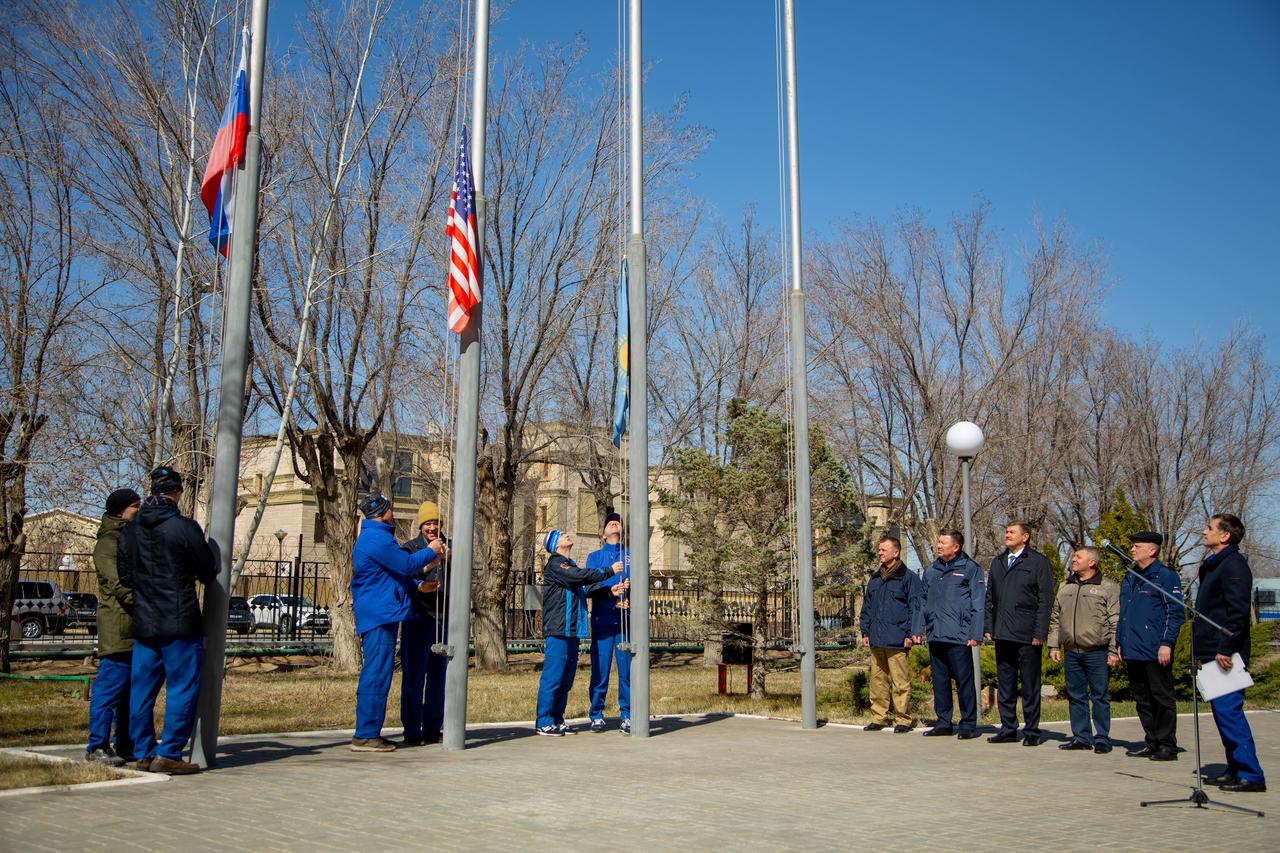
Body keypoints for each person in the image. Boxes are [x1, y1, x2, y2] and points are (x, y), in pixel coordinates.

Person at [118, 467, 216, 775]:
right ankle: (170, 752)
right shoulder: (184, 528)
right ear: (175, 493)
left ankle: (143, 751)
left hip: (145, 621)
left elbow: (125, 575)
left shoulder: (131, 530)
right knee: (182, 688)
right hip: (179, 620)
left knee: (141, 690)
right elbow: (207, 570)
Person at [350, 493, 445, 753]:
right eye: (389, 508)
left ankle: (368, 732)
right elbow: (405, 564)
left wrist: (418, 584)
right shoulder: (377, 538)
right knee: (377, 675)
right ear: (382, 513)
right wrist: (431, 552)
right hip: (379, 614)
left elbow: (392, 575)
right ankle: (366, 734)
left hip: (383, 611)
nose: (392, 511)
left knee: (380, 673)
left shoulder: (375, 536)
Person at [1194, 513, 1266, 792]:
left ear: (1225, 535)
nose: (1204, 532)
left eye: (1210, 528)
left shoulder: (1233, 565)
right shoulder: (1214, 565)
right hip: (1213, 650)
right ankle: (1234, 768)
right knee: (1222, 715)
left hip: (1225, 652)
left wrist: (1227, 647)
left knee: (1230, 713)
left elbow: (1237, 612)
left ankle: (1251, 774)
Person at [535, 529, 621, 736]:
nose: (567, 536)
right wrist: (609, 570)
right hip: (558, 629)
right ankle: (543, 721)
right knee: (553, 677)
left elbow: (587, 589)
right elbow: (579, 577)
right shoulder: (557, 564)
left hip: (571, 629)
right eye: (562, 535)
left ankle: (557, 719)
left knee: (566, 679)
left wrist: (610, 591)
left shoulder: (569, 565)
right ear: (555, 545)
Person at [1114, 530, 1184, 761]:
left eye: (1138, 546)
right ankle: (1151, 741)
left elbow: (1174, 613)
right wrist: (1120, 641)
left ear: (1152, 550)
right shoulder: (1131, 575)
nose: (1132, 550)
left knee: (1161, 697)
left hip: (1155, 648)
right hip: (1133, 647)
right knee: (1142, 699)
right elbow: (1123, 613)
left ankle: (1167, 744)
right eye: (1132, 546)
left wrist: (1167, 643)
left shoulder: (1164, 576)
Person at [85, 488, 141, 766]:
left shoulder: (130, 537)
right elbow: (117, 584)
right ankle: (97, 745)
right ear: (120, 510)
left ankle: (125, 744)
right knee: (109, 689)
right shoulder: (109, 542)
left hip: (134, 626)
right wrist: (146, 602)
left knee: (129, 692)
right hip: (117, 627)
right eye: (134, 506)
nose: (138, 510)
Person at [984, 522, 1054, 746]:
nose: (1007, 535)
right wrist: (989, 627)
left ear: (1025, 537)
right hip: (1003, 633)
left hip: (1027, 633)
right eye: (1006, 532)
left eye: (1012, 532)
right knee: (1006, 684)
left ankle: (1032, 731)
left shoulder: (1037, 562)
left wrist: (1040, 631)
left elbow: (1045, 600)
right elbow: (990, 598)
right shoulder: (998, 562)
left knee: (1030, 685)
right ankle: (1008, 728)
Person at [1047, 546, 1120, 753]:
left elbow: (1116, 621)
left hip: (1097, 651)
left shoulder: (1108, 587)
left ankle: (1102, 738)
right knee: (1076, 696)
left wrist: (1113, 651)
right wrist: (1054, 645)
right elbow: (1055, 619)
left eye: (1079, 557)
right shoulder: (1065, 586)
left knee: (1100, 696)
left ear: (1092, 562)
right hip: (1071, 651)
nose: (1073, 559)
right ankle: (1081, 737)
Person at [916, 529, 985, 740]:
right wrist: (918, 629)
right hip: (936, 634)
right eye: (938, 542)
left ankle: (968, 724)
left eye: (942, 542)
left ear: (956, 547)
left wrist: (976, 632)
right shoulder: (931, 570)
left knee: (964, 681)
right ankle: (944, 722)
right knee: (940, 681)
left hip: (959, 635)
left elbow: (978, 603)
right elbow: (922, 602)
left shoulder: (970, 569)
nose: (937, 545)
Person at [858, 535, 922, 733]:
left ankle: (903, 719)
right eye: (879, 550)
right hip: (876, 638)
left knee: (900, 682)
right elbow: (867, 607)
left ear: (896, 552)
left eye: (883, 550)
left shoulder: (908, 578)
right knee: (877, 681)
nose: (880, 553)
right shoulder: (875, 579)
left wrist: (912, 633)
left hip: (898, 638)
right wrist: (865, 631)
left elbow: (916, 607)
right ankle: (879, 717)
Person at [399, 500, 448, 746]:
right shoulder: (410, 549)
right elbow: (405, 575)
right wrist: (429, 563)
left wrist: (450, 560)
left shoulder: (449, 547)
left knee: (438, 678)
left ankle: (432, 727)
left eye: (436, 523)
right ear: (421, 526)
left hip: (442, 620)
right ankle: (411, 729)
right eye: (428, 524)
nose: (432, 528)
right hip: (418, 618)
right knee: (414, 676)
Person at [585, 511, 632, 734]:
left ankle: (628, 714)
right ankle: (596, 714)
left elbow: (641, 584)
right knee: (600, 670)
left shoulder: (631, 555)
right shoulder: (595, 558)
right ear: (603, 534)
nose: (614, 522)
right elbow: (589, 587)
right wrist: (611, 596)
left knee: (626, 670)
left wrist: (629, 599)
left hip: (625, 623)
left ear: (622, 531)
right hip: (603, 622)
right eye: (610, 522)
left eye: (618, 522)